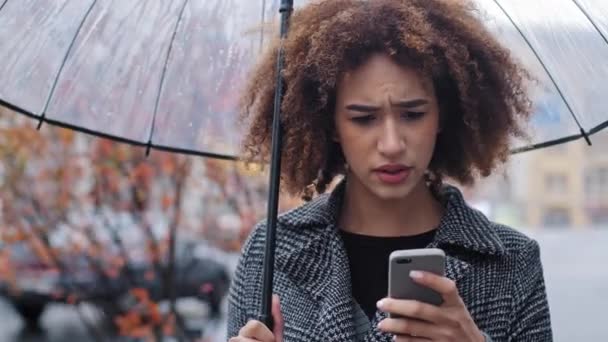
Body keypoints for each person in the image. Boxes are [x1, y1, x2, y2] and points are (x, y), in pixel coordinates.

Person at [228, 0, 553, 341]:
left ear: (442, 114)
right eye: (364, 118)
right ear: (331, 124)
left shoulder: (513, 260)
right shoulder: (270, 252)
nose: (392, 144)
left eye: (412, 114)